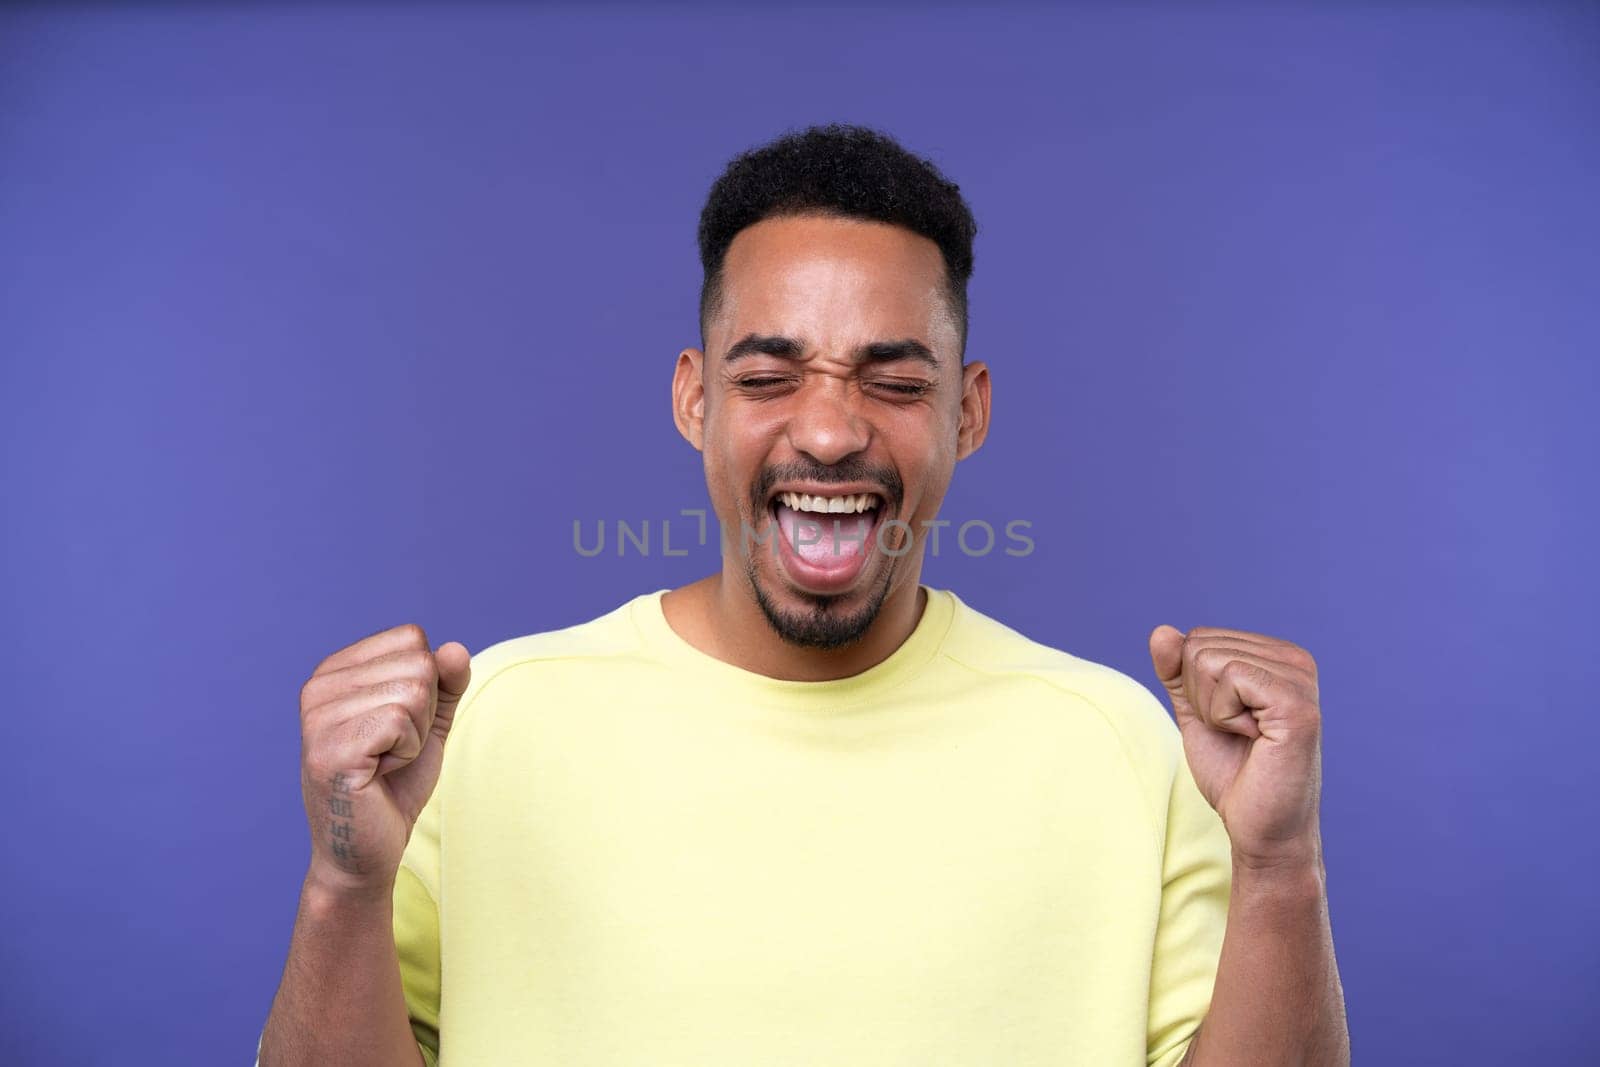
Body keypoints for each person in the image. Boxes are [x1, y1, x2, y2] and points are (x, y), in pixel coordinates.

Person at [255, 124, 1349, 1066]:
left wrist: (1278, 864)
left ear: (968, 413)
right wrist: (343, 888)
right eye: (769, 377)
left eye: (895, 379)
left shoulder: (1120, 742)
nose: (828, 430)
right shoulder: (483, 723)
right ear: (695, 399)